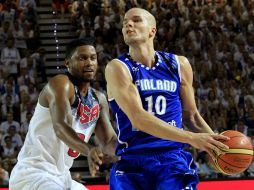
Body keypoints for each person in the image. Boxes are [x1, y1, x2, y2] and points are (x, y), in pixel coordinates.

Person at [104, 8, 230, 190]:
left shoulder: (178, 65)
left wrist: (216, 146)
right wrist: (192, 138)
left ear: (152, 30)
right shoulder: (118, 67)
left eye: (136, 20)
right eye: (125, 22)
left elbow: (191, 117)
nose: (128, 24)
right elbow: (138, 119)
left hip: (172, 159)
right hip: (133, 162)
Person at [9, 38, 117, 190]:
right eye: (82, 58)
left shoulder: (98, 99)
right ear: (67, 63)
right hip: (33, 173)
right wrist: (89, 149)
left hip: (62, 176)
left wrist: (133, 151)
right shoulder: (61, 83)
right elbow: (61, 127)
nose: (89, 63)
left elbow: (109, 141)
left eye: (93, 58)